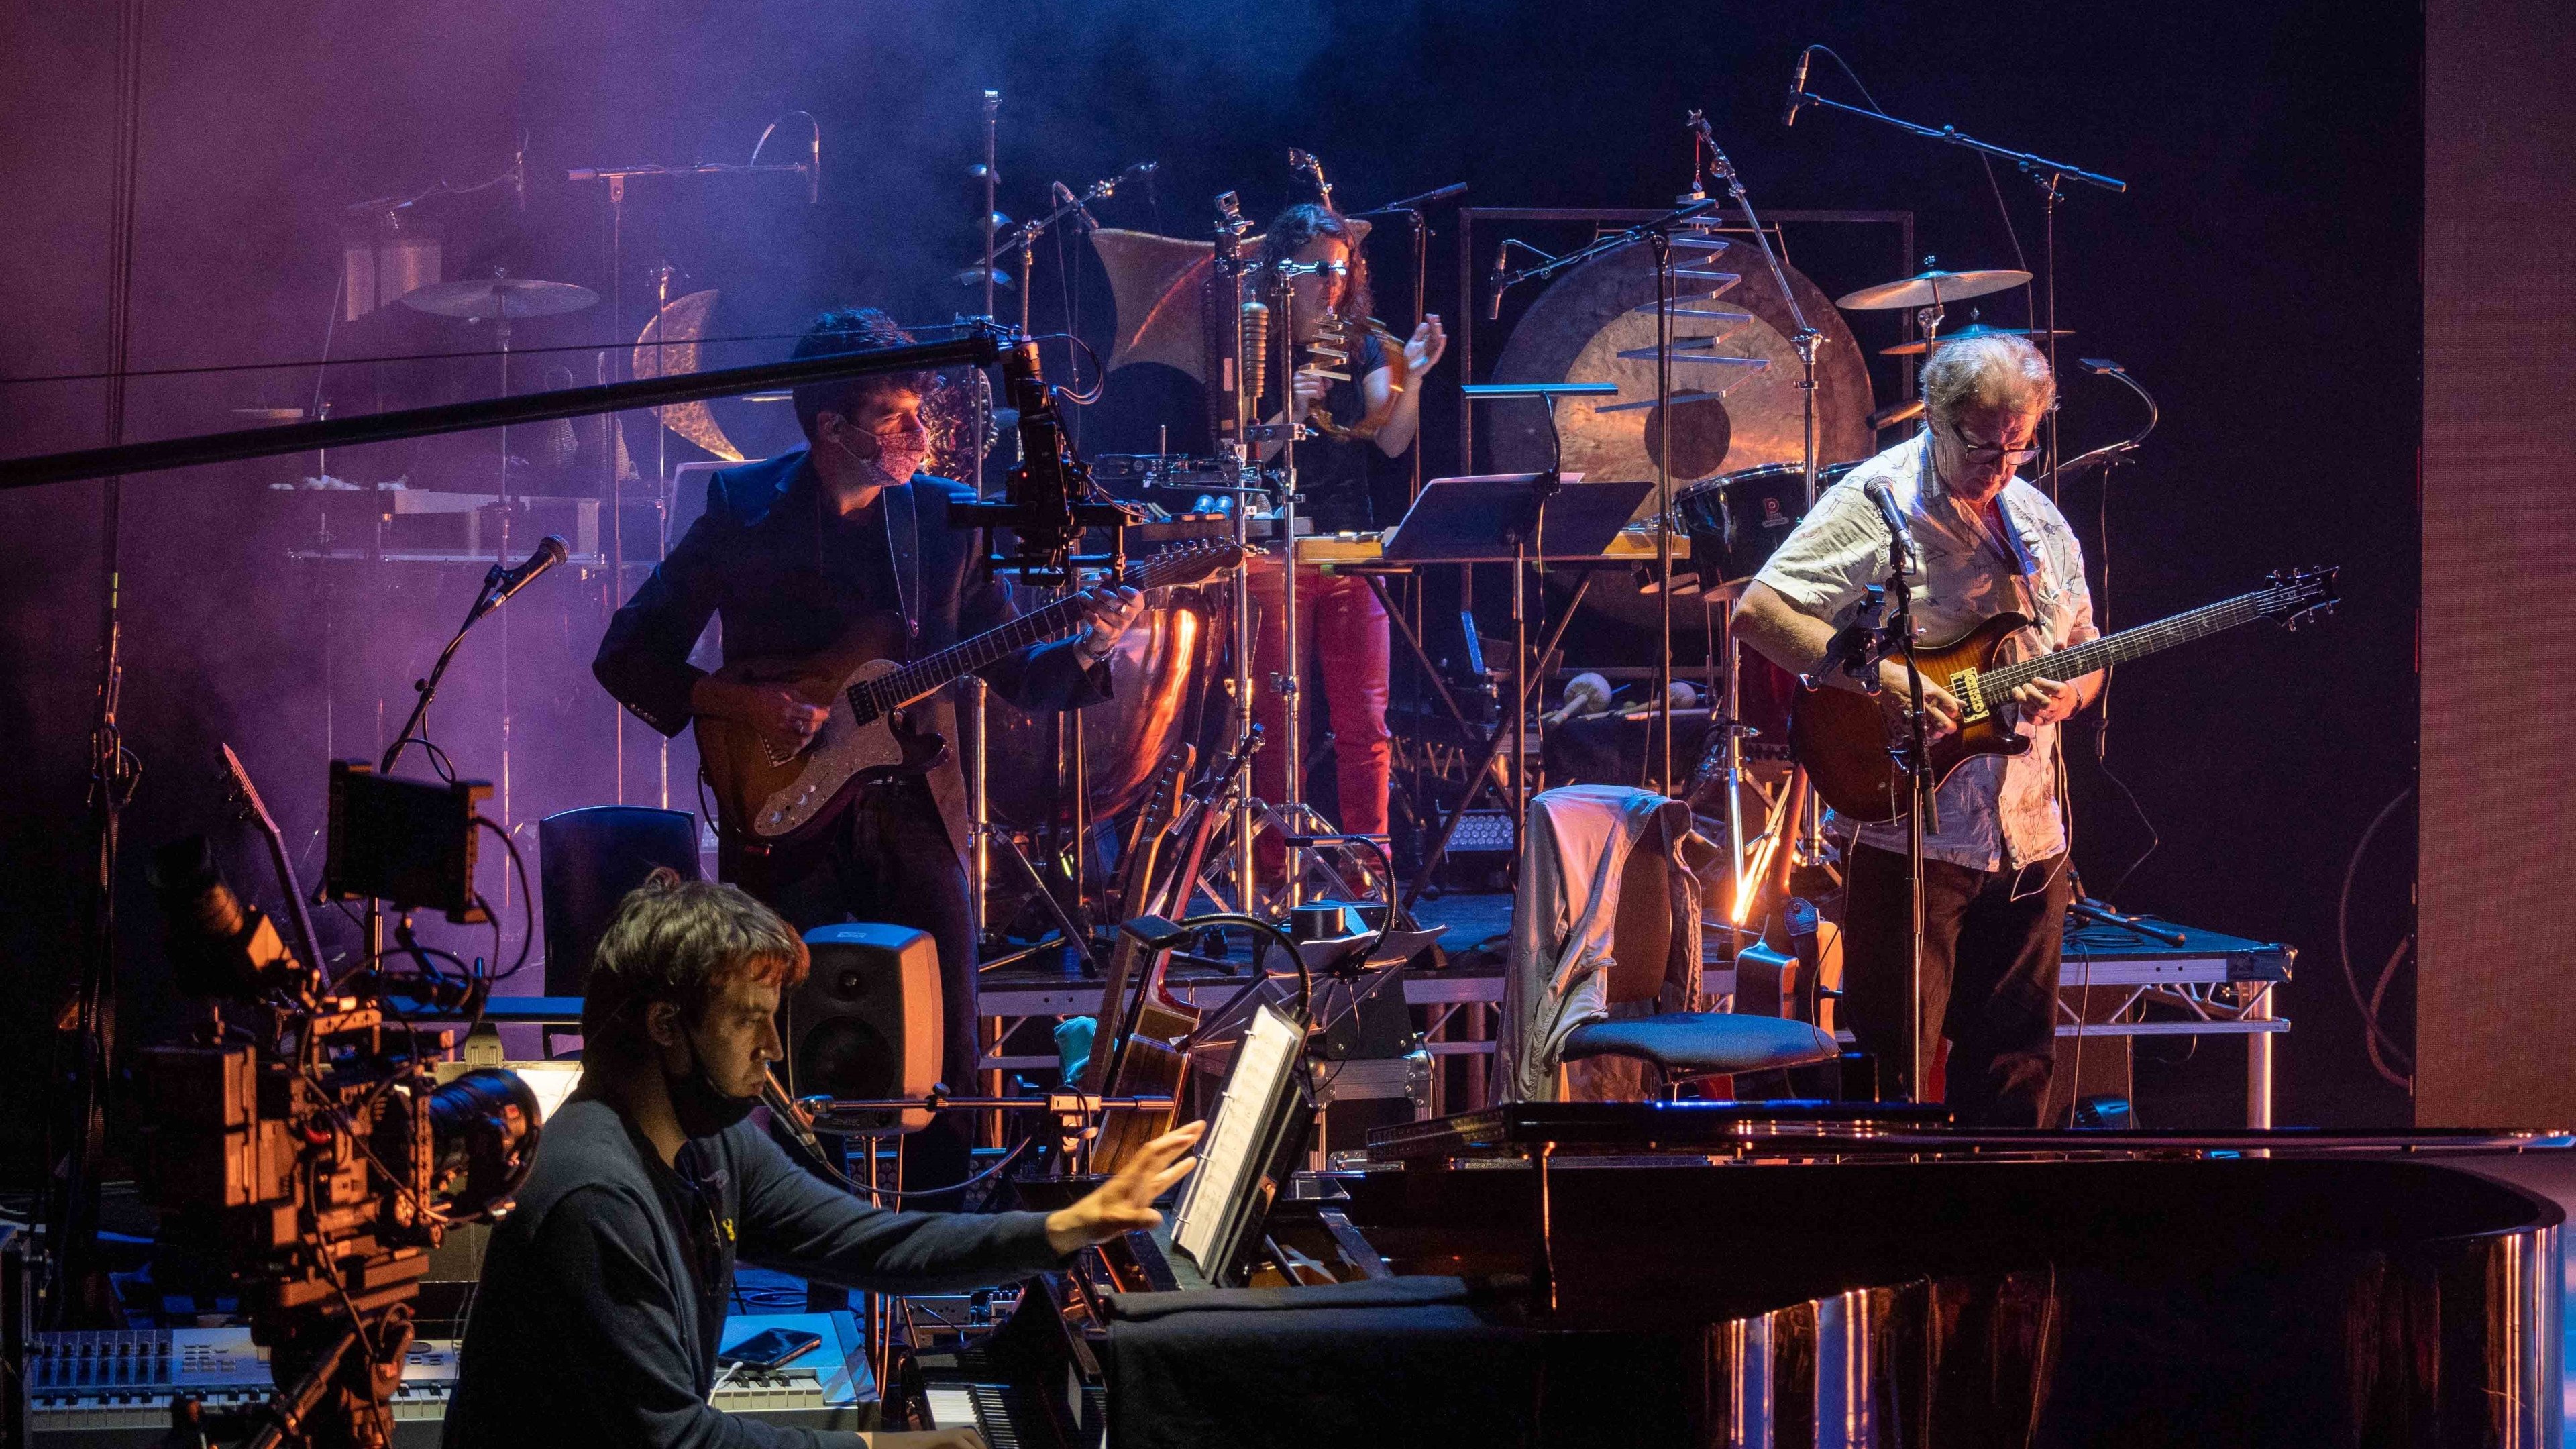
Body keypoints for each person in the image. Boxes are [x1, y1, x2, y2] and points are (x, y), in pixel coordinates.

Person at [595, 307, 1148, 1175]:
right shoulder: (743, 508)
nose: (922, 434)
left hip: (914, 807)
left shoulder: (943, 517)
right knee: (784, 1038)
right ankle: (809, 1239)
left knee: (943, 1036)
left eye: (921, 413)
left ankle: (943, 1238)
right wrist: (739, 706)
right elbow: (629, 653)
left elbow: (1013, 665)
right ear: (830, 426)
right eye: (896, 418)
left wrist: (1090, 643)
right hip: (776, 808)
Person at [443, 872, 1201, 1448]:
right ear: (667, 1025)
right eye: (750, 1023)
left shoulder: (710, 1145)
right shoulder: (594, 1199)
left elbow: (873, 1242)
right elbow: (678, 1440)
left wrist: (1069, 1226)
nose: (773, 1051)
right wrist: (880, 1446)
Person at [1732, 335, 2101, 1126]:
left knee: (2016, 1069)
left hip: (2030, 836)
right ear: (1935, 416)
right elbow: (1760, 613)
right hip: (1913, 831)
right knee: (1897, 1072)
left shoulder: (2038, 518)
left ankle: (1997, 1244)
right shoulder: (1878, 498)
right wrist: (1880, 677)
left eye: (2019, 446)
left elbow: (2086, 648)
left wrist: (2072, 692)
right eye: (1982, 444)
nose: (2001, 465)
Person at [1246, 204, 1446, 887]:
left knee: (1365, 720)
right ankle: (1274, 868)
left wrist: (1413, 376)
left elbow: (1391, 441)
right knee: (1277, 721)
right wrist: (1293, 408)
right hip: (1276, 554)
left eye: (1340, 269)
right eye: (1316, 268)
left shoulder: (1358, 343)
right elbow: (1244, 453)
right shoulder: (1254, 338)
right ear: (1283, 269)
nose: (1330, 282)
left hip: (1349, 548)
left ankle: (1370, 867)